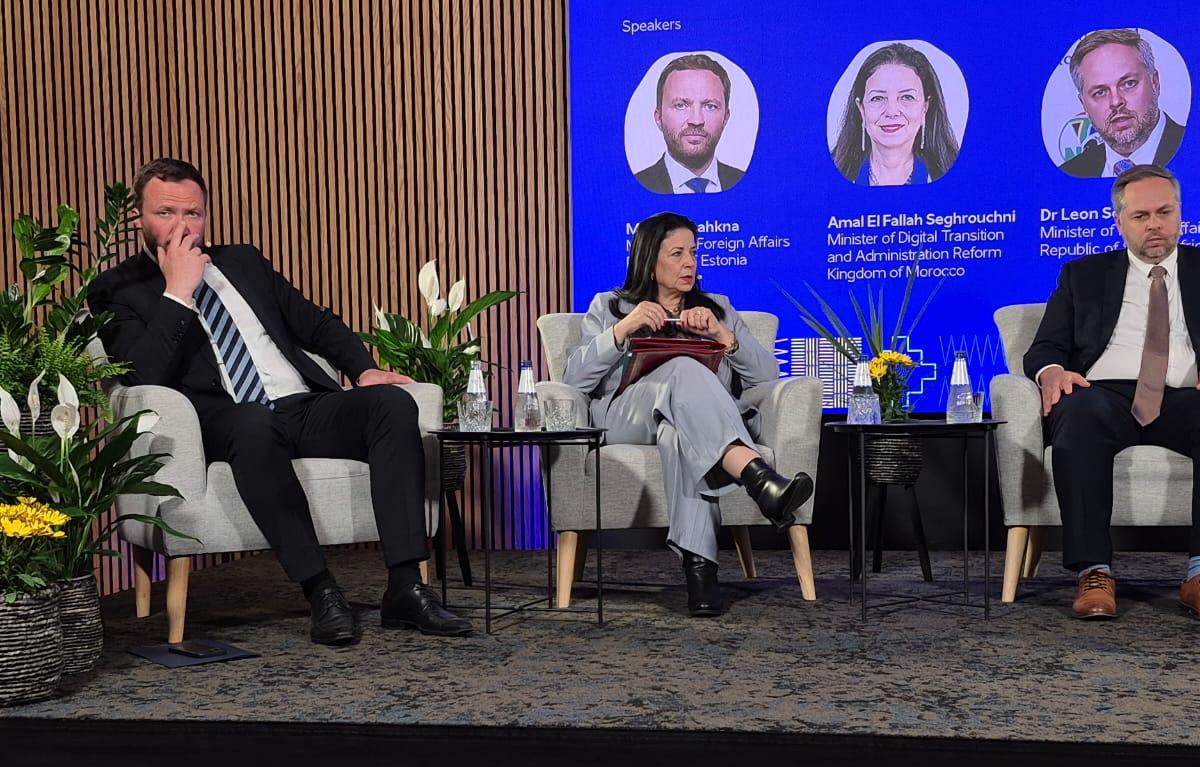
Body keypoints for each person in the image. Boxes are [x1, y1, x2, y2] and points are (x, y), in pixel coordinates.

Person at [88, 158, 472, 645]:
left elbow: (316, 322)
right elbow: (145, 377)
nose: (182, 227)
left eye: (193, 214)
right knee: (253, 423)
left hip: (300, 406)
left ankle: (405, 588)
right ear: (138, 218)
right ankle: (321, 590)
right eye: (166, 213)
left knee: (393, 405)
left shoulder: (243, 262)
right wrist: (178, 292)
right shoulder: (116, 290)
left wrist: (364, 369)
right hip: (224, 420)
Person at [1023, 164, 1200, 622]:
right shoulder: (1082, 275)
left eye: (1164, 212)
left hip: (1190, 395)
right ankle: (1094, 573)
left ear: (1180, 213)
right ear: (1119, 222)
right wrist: (1052, 372)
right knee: (1076, 412)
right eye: (1141, 216)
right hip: (1105, 395)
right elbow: (1045, 347)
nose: (1155, 225)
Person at [563, 212, 813, 616]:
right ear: (649, 260)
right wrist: (623, 329)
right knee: (682, 368)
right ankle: (755, 476)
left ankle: (701, 575)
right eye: (677, 254)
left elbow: (767, 377)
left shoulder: (718, 309)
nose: (689, 263)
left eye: (693, 253)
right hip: (626, 417)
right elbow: (573, 379)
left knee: (678, 435)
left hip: (692, 426)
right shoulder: (610, 307)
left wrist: (722, 335)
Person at [1059, 29, 1185, 178]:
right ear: (1084, 104)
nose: (1116, 101)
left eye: (1129, 84)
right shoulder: (1069, 174)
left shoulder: (1197, 148)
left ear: (1155, 83)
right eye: (1100, 92)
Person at [831, 42, 960, 186]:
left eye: (907, 97)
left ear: (925, 107)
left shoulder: (957, 179)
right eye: (877, 98)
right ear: (861, 108)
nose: (892, 112)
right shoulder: (829, 178)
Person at [634, 54, 745, 194]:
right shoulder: (629, 188)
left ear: (725, 117)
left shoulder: (751, 185)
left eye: (710, 106)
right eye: (680, 105)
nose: (696, 120)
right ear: (659, 117)